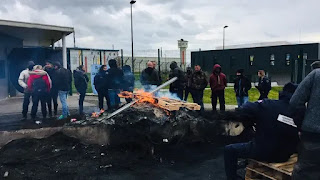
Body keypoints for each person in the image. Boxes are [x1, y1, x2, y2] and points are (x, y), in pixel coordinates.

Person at [224, 83, 300, 180]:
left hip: (262, 151)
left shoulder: (267, 104)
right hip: (285, 155)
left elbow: (245, 109)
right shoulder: (301, 112)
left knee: (229, 150)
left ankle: (233, 178)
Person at [290, 61, 320, 179]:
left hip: (312, 136)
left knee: (305, 173)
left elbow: (295, 103)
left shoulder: (316, 75)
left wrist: (301, 123)